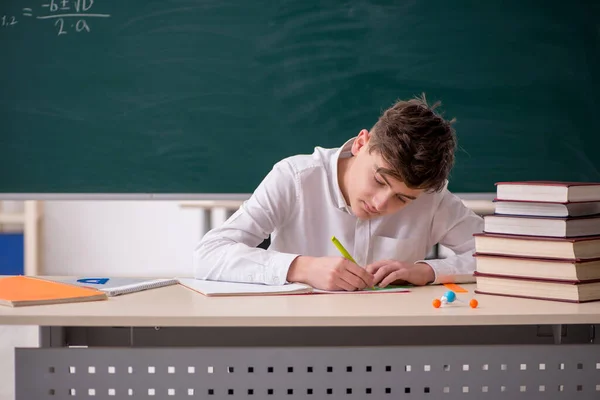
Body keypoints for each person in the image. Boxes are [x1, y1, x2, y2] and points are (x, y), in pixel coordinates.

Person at [194, 94, 484, 291]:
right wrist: (299, 268)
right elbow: (208, 255)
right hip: (292, 341)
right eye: (380, 180)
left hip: (386, 346)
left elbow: (503, 259)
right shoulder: (295, 178)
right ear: (361, 143)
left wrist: (428, 272)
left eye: (403, 198)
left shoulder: (431, 198)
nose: (381, 203)